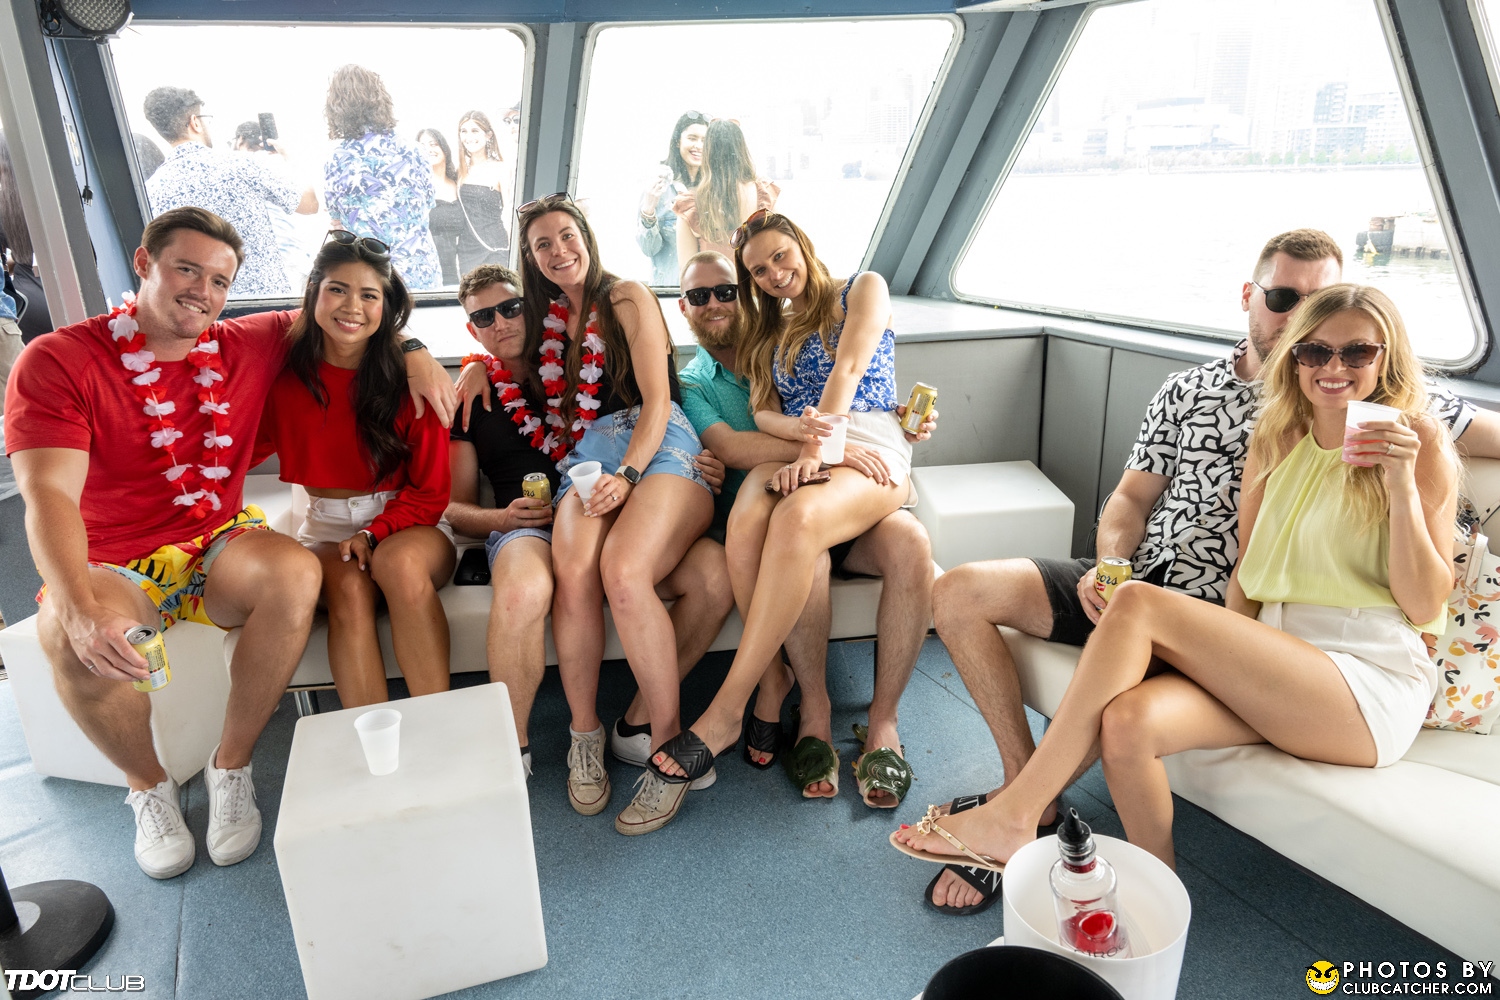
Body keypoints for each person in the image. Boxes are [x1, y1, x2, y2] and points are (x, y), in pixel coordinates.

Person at [923, 227, 1500, 915]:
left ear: (1386, 357)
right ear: (1280, 333)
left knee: (1139, 605)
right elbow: (1244, 572)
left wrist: (1400, 484)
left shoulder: (1417, 434)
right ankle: (1155, 905)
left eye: (1357, 351)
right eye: (1314, 345)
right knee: (1128, 720)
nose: (1332, 363)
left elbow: (1425, 604)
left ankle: (1017, 812)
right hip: (1269, 651)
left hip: (1364, 677)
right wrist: (1150, 596)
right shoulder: (1274, 434)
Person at [5, 207, 454, 883]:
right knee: (68, 640)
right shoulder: (58, 360)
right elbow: (48, 496)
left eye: (219, 280)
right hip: (112, 557)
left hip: (216, 540)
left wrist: (415, 351)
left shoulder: (248, 341)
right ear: (143, 263)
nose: (203, 292)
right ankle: (149, 788)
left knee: (296, 574)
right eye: (187, 270)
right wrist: (76, 607)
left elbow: (357, 312)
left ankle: (232, 766)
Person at [650, 212, 912, 814]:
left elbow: (849, 368)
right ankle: (781, 685)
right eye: (759, 270)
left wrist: (822, 448)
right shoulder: (769, 333)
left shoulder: (862, 288)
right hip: (810, 444)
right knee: (752, 517)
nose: (774, 273)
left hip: (863, 443)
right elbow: (764, 412)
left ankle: (727, 709)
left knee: (796, 521)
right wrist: (805, 441)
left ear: (802, 244)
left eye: (779, 256)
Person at [447, 263, 731, 783]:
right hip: (526, 525)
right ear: (472, 329)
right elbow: (453, 508)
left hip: (611, 498)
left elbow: (652, 404)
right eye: (484, 317)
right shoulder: (472, 397)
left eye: (510, 307)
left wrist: (699, 462)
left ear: (534, 308)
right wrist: (499, 516)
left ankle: (640, 724)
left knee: (715, 575)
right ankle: (521, 747)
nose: (501, 322)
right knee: (528, 589)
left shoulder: (573, 357)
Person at [515, 194, 714, 835]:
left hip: (656, 443)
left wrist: (628, 475)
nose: (559, 251)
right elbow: (501, 364)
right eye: (543, 245)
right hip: (586, 456)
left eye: (566, 236)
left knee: (624, 573)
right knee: (573, 570)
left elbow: (656, 399)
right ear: (531, 259)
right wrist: (467, 373)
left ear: (587, 237)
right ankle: (585, 735)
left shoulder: (625, 296)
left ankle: (669, 748)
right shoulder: (546, 322)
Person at [254, 232, 455, 709]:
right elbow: (237, 450)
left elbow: (431, 494)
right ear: (314, 292)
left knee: (398, 564)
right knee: (348, 589)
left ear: (386, 306)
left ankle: (441, 722)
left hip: (410, 522)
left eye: (369, 295)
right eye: (338, 289)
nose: (352, 307)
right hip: (325, 526)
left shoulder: (414, 380)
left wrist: (373, 532)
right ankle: (374, 737)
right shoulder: (281, 378)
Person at [142, 86, 318, 298]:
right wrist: (290, 159)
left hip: (201, 307)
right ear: (195, 122)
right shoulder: (242, 164)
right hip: (264, 302)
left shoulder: (151, 189)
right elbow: (310, 204)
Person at [322, 65, 442, 291]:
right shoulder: (415, 150)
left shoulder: (336, 160)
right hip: (421, 271)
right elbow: (427, 203)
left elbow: (337, 221)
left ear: (337, 109)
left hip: (372, 277)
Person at [674, 120, 778, 263]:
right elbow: (779, 249)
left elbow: (686, 268)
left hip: (712, 277)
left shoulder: (690, 204)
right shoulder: (764, 194)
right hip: (754, 277)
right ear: (741, 149)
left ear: (708, 152)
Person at [636, 110, 708, 286]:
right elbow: (649, 249)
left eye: (705, 141)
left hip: (707, 291)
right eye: (692, 138)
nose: (699, 146)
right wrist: (648, 210)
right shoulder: (660, 186)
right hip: (670, 292)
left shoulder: (712, 188)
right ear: (678, 141)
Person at [455, 111, 510, 275]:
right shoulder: (459, 172)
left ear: (488, 135)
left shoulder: (501, 169)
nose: (469, 137)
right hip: (466, 250)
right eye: (464, 131)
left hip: (495, 247)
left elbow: (510, 212)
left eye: (475, 131)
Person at [417, 128, 462, 286]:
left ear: (444, 148)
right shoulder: (418, 188)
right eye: (422, 146)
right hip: (431, 268)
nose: (429, 149)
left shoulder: (458, 183)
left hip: (458, 268)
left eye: (433, 144)